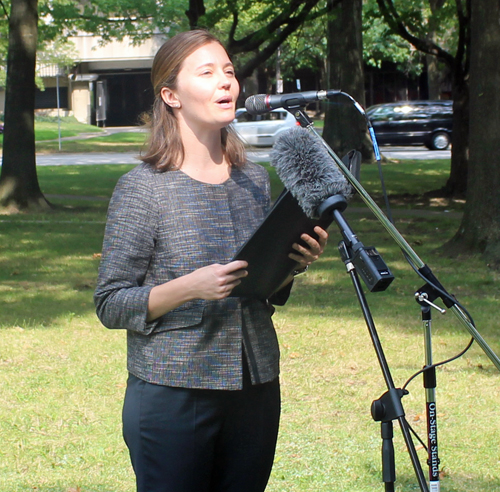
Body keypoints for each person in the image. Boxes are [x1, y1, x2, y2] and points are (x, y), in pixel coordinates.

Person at [94, 29, 328, 492]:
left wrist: (292, 263)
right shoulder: (143, 188)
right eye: (207, 73)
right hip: (173, 393)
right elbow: (110, 302)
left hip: (256, 384)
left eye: (229, 71)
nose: (226, 82)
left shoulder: (254, 182)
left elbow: (264, 290)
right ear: (171, 95)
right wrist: (190, 287)